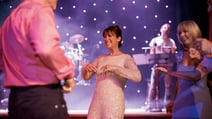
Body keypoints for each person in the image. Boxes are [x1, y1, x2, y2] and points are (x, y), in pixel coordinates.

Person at [0, 0, 76, 119]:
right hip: (42, 98)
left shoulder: (10, 19)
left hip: (16, 101)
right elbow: (46, 49)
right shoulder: (40, 9)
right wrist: (67, 74)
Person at [81, 25, 142, 119]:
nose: (106, 39)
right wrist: (85, 68)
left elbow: (137, 77)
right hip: (97, 101)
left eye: (110, 36)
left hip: (114, 102)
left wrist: (114, 68)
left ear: (119, 38)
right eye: (105, 36)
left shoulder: (126, 58)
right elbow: (86, 77)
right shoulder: (101, 58)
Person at [157, 20, 212, 119]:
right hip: (181, 104)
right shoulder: (180, 56)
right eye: (179, 33)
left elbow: (196, 75)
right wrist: (173, 101)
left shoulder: (206, 54)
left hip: (198, 103)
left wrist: (169, 72)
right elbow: (179, 83)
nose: (182, 35)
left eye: (185, 31)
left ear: (194, 31)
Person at [146, 23, 177, 111]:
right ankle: (150, 105)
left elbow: (173, 54)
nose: (166, 28)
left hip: (167, 66)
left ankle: (167, 105)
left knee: (168, 86)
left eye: (168, 28)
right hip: (157, 65)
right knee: (153, 85)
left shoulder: (171, 41)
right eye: (164, 27)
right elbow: (151, 53)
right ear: (161, 29)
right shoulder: (155, 40)